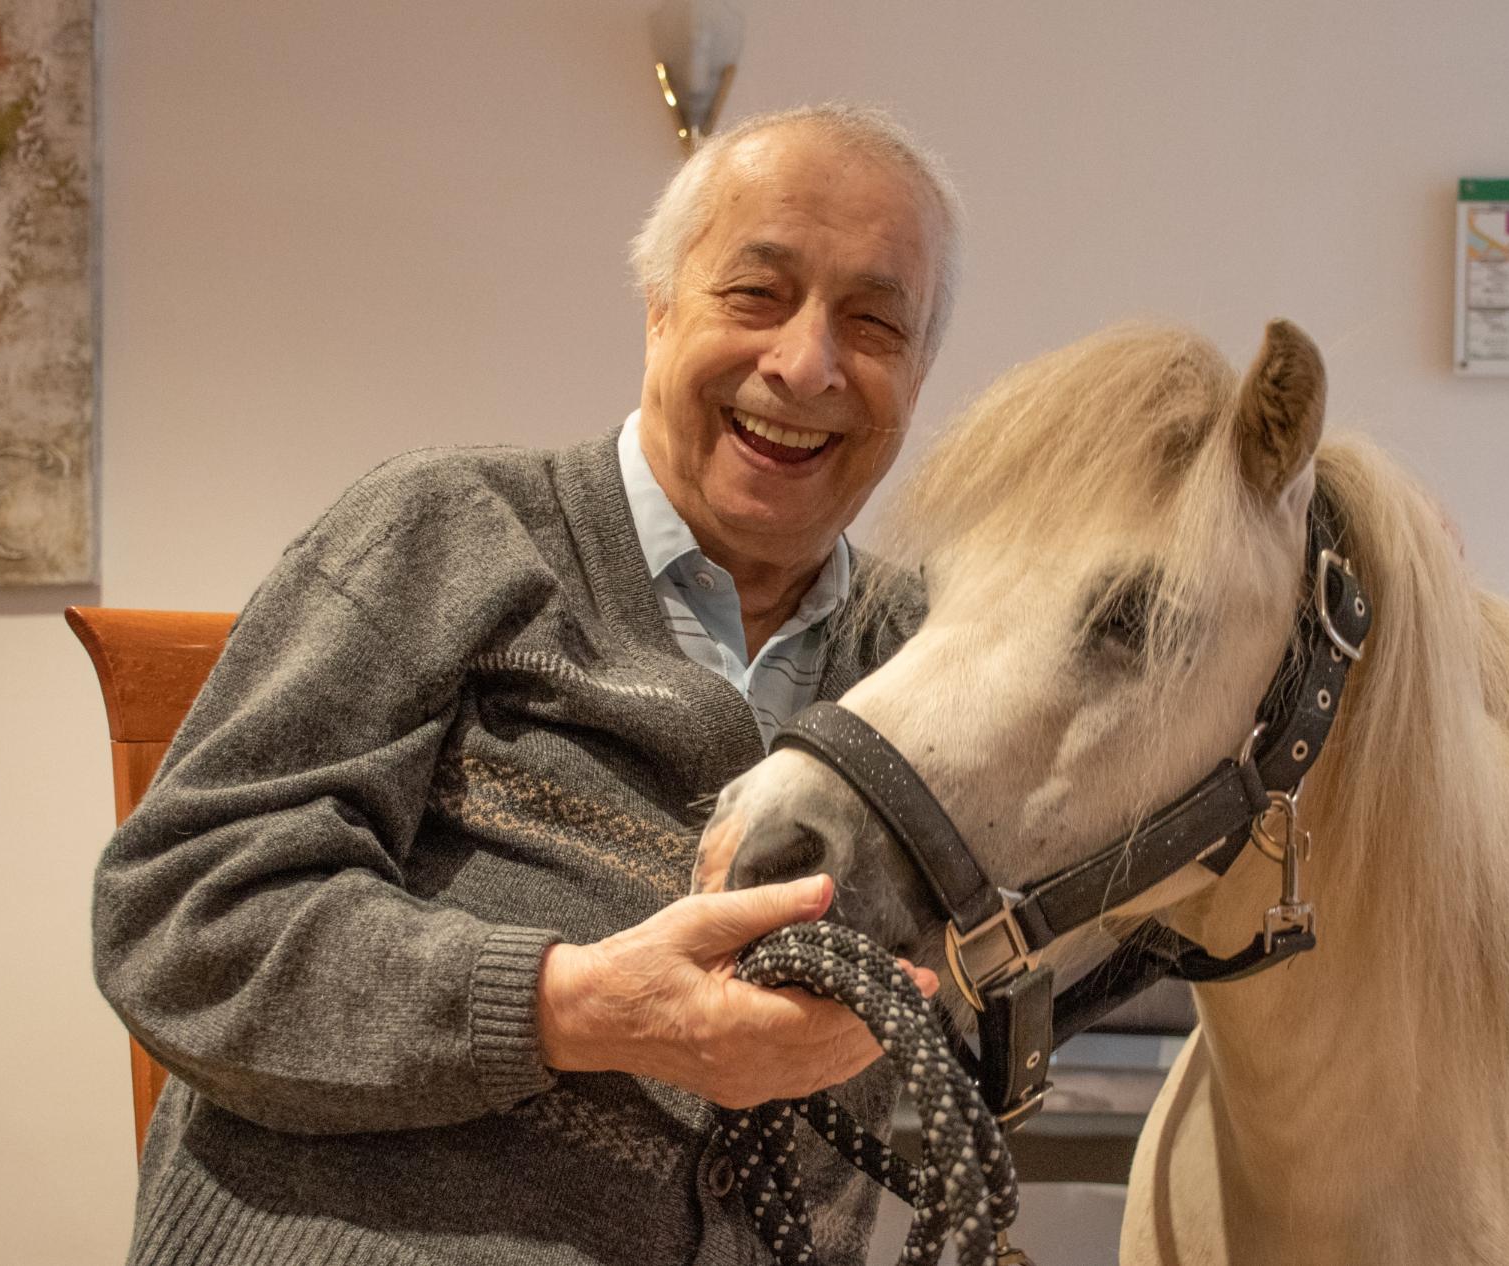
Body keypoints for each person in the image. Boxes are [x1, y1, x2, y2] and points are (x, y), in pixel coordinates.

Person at [91, 103, 960, 1265]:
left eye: (873, 323)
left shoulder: (941, 656)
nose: (806, 363)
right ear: (657, 309)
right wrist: (575, 1006)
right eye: (755, 295)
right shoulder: (448, 531)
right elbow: (182, 916)